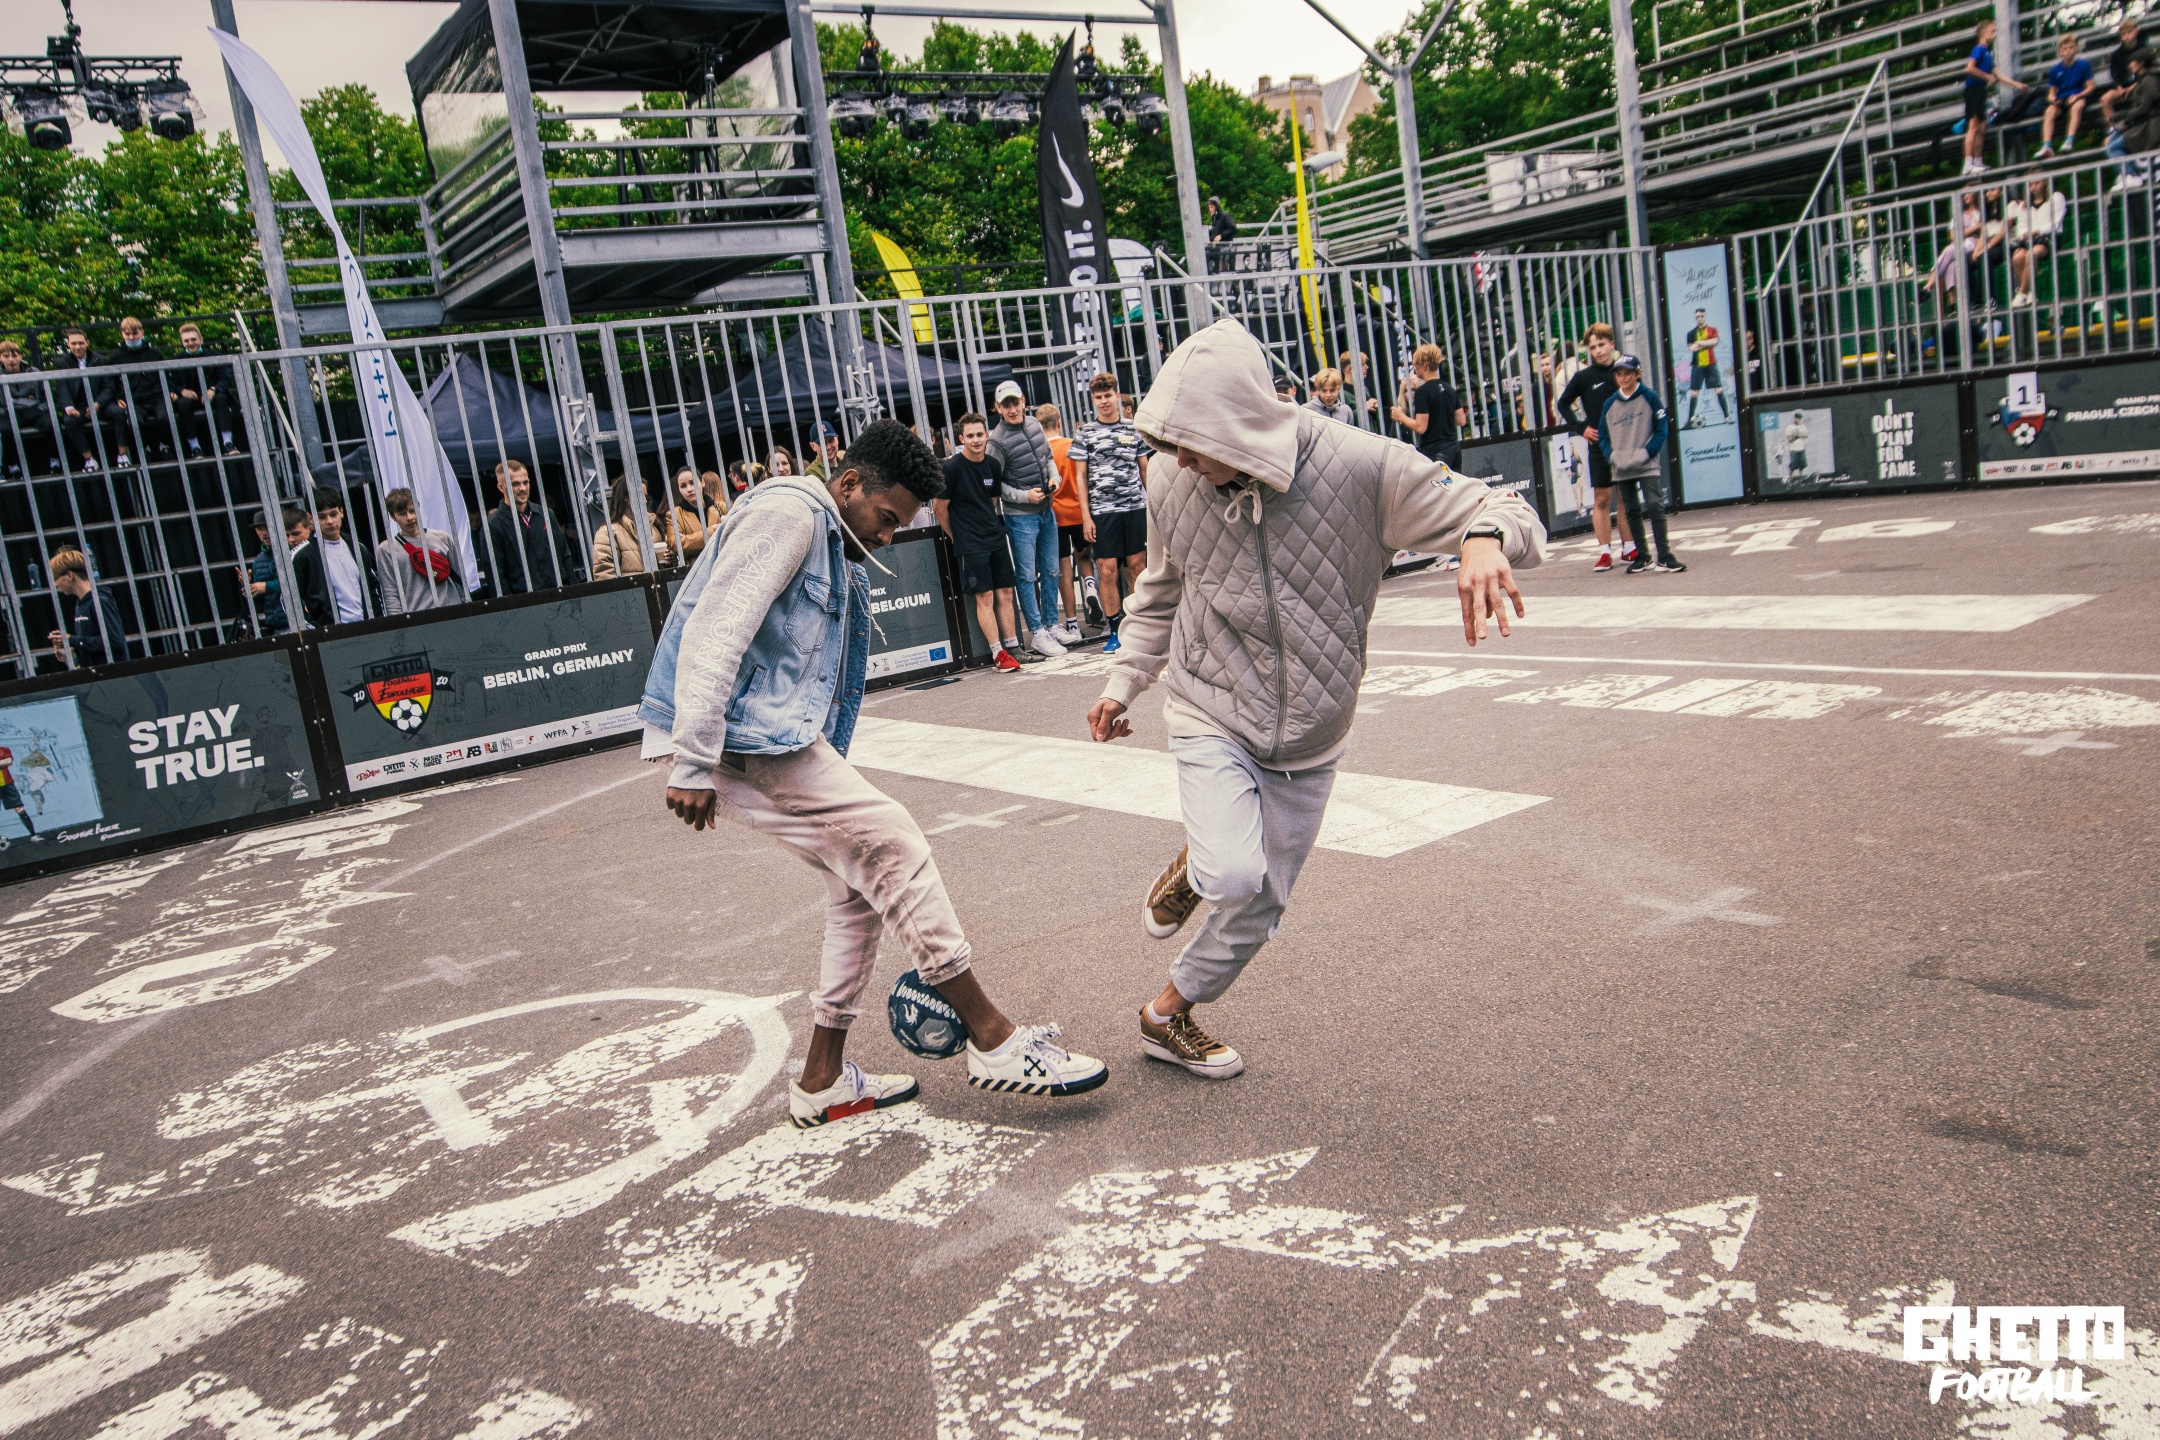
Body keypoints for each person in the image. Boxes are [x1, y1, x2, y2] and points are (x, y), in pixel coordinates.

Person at [1085, 320, 1543, 1080]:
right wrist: (1122, 681)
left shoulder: (1362, 466)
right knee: (1233, 873)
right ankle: (1201, 866)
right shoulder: (1169, 478)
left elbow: (1506, 509)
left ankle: (1165, 1016)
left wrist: (1485, 537)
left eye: (1192, 442)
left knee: (1262, 902)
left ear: (1239, 423)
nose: (1179, 459)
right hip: (1210, 702)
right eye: (1170, 442)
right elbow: (1161, 592)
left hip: (1314, 726)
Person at [646, 417, 1107, 1123]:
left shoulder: (830, 536)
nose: (890, 536)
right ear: (850, 482)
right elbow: (717, 629)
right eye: (888, 518)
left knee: (859, 884)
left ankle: (822, 1080)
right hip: (738, 736)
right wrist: (694, 758)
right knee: (894, 839)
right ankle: (993, 1039)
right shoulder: (789, 514)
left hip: (756, 733)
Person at [937, 413, 1030, 672]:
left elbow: (992, 501)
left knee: (1006, 593)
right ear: (961, 439)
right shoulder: (952, 468)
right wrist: (957, 536)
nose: (976, 440)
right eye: (970, 436)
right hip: (970, 543)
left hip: (995, 537)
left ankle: (1013, 647)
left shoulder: (993, 465)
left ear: (987, 435)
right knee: (985, 596)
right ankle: (998, 654)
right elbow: (939, 508)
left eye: (980, 434)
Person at [988, 379, 1068, 657]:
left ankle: (1051, 625)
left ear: (1023, 401)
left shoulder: (1034, 424)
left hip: (1046, 509)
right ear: (998, 407)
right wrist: (1025, 497)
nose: (1012, 409)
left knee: (1051, 570)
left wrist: (1055, 477)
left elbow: (1048, 458)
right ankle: (1037, 632)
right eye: (1006, 405)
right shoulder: (996, 441)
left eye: (1015, 402)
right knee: (1026, 575)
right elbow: (995, 485)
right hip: (1020, 517)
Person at [1071, 372, 1148, 657]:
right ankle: (1114, 630)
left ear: (1117, 396)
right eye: (1099, 397)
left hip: (1134, 507)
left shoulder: (1134, 428)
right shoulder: (1085, 433)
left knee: (1137, 567)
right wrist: (1086, 516)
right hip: (1103, 511)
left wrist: (1153, 503)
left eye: (1108, 395)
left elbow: (1144, 468)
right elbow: (1080, 477)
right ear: (1093, 400)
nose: (1104, 401)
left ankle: (1138, 627)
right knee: (1107, 569)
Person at [1553, 323, 1636, 571]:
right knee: (1602, 497)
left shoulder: (1624, 372)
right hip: (1599, 445)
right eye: (1592, 347)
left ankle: (1630, 548)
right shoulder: (1583, 377)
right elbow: (1563, 403)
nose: (1598, 350)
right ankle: (1604, 552)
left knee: (1625, 496)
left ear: (1612, 344)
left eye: (1601, 345)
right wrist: (1582, 428)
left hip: (1625, 444)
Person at [1595, 355, 1685, 575]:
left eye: (1628, 373)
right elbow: (1603, 436)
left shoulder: (1650, 397)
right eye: (1619, 374)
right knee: (1632, 511)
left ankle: (1664, 556)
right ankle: (1643, 556)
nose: (1623, 377)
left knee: (1655, 506)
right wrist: (1612, 456)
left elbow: (1662, 428)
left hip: (1646, 464)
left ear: (1638, 374)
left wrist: (1648, 452)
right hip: (1621, 467)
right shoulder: (1610, 403)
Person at [484, 458, 581, 594]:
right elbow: (496, 576)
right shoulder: (494, 525)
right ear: (501, 487)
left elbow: (565, 555)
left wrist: (574, 593)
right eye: (515, 484)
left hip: (560, 595)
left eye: (525, 482)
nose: (523, 488)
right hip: (524, 601)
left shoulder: (546, 514)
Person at [1040, 402, 1092, 643]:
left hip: (1056, 516)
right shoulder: (1073, 445)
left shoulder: (1042, 452)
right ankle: (1090, 586)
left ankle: (1072, 623)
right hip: (1079, 512)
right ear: (1059, 423)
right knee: (1085, 557)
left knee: (1064, 568)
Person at [374, 487, 465, 614]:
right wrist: (399, 624)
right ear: (393, 516)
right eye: (402, 514)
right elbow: (391, 595)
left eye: (412, 511)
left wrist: (466, 610)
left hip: (453, 611)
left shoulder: (442, 538)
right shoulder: (387, 550)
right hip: (418, 618)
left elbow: (459, 580)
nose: (409, 517)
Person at [95, 316, 168, 464]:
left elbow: (166, 375)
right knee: (135, 422)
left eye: (134, 333)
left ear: (141, 332)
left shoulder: (154, 353)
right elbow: (112, 382)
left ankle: (165, 445)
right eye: (127, 334)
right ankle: (144, 448)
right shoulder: (116, 358)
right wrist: (118, 398)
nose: (131, 337)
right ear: (122, 334)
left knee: (165, 418)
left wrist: (169, 391)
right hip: (134, 399)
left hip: (157, 396)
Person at [1962, 19, 2028, 175]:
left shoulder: (1987, 54)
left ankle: (1978, 160)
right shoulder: (1979, 49)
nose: (1995, 34)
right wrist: (1987, 77)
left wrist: (2017, 85)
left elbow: (1999, 75)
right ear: (1983, 33)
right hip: (1973, 90)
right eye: (1992, 31)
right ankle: (1968, 162)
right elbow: (1969, 68)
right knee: (1973, 126)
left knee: (1982, 127)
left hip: (1981, 91)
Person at [45, 548, 131, 667]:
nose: (55, 584)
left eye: (56, 578)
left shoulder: (100, 601)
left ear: (70, 575)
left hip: (113, 675)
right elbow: (90, 646)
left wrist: (72, 640)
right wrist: (69, 652)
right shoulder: (80, 605)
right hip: (96, 676)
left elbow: (115, 641)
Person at [167, 323, 241, 457]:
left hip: (212, 395)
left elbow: (225, 380)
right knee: (182, 404)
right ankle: (195, 447)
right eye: (186, 341)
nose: (190, 343)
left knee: (221, 398)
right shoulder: (176, 360)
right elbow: (172, 383)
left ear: (201, 339)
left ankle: (228, 443)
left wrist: (213, 389)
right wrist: (181, 391)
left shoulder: (214, 355)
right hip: (191, 399)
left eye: (193, 339)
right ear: (182, 343)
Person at [1389, 344, 1466, 470]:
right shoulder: (1450, 389)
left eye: (1416, 365)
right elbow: (1461, 420)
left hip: (1435, 452)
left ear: (1424, 366)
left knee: (1436, 483)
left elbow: (1421, 427)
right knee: (1454, 482)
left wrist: (1400, 416)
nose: (1414, 368)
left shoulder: (1423, 392)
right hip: (1454, 449)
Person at [591, 476, 672, 578]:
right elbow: (604, 575)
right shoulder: (607, 533)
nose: (645, 501)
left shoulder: (654, 526)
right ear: (625, 497)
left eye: (645, 496)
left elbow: (666, 568)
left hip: (657, 586)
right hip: (631, 588)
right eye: (639, 495)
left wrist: (669, 560)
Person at [312, 487, 372, 624]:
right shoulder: (304, 555)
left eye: (333, 514)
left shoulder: (357, 547)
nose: (329, 521)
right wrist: (317, 630)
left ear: (342, 512)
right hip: (329, 633)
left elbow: (372, 590)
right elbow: (290, 601)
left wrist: (377, 623)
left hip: (366, 628)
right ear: (311, 518)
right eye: (322, 516)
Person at [2007, 175, 2066, 306]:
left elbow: (2056, 222)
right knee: (2017, 257)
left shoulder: (2056, 197)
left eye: (2036, 183)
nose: (2033, 187)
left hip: (2049, 237)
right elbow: (2021, 227)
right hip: (2030, 240)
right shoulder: (2024, 204)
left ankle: (2021, 293)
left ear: (2044, 182)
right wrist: (2025, 234)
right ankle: (2030, 293)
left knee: (2032, 254)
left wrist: (2036, 231)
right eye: (2030, 184)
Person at [2037, 33, 2097, 158]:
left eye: (2071, 47)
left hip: (2078, 95)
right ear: (2060, 52)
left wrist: (2078, 95)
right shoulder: (2055, 70)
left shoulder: (2083, 65)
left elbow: (2090, 87)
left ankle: (2069, 140)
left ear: (2076, 48)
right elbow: (2051, 93)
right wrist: (2053, 100)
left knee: (2077, 107)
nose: (2068, 51)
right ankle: (2047, 145)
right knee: (2049, 112)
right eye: (2065, 48)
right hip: (2062, 99)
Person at [2107, 47, 2160, 188]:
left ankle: (2131, 175)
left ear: (2141, 63)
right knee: (2112, 139)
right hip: (2143, 123)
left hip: (2150, 127)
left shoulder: (2149, 81)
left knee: (2113, 148)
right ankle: (2125, 173)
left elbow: (2145, 108)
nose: (2130, 65)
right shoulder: (2146, 79)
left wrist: (2122, 115)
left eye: (2133, 62)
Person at [51, 328, 102, 472]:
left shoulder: (100, 360)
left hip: (99, 404)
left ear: (87, 343)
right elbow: (61, 387)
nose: (77, 347)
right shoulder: (61, 363)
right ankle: (89, 459)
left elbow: (108, 386)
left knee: (118, 413)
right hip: (77, 407)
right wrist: (69, 407)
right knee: (69, 421)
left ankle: (122, 456)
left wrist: (98, 403)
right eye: (73, 343)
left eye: (80, 343)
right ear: (68, 344)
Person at [0, 340, 49, 478]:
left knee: (51, 424)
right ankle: (13, 466)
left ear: (20, 356)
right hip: (8, 413)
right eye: (6, 356)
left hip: (34, 410)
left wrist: (38, 407)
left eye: (14, 355)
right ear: (0, 358)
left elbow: (46, 398)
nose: (11, 360)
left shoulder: (34, 372)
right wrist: (26, 400)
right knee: (5, 430)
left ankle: (55, 461)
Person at [284, 506, 336, 629]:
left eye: (296, 534)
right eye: (287, 535)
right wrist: (315, 627)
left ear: (310, 528)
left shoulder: (333, 546)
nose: (291, 540)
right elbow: (289, 600)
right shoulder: (295, 557)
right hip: (323, 628)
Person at [1680, 308, 1731, 429]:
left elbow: (1714, 342)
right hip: (1697, 365)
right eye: (1698, 317)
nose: (1700, 318)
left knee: (1718, 389)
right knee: (1694, 392)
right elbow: (1691, 348)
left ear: (1705, 316)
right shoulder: (1691, 333)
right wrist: (1706, 343)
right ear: (1695, 318)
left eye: (1702, 316)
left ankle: (1727, 417)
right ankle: (1689, 421)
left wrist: (1699, 343)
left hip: (1711, 364)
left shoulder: (1712, 330)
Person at [238, 510, 287, 631]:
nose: (265, 533)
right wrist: (249, 587)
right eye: (260, 529)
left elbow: (299, 584)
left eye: (268, 527)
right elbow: (260, 603)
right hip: (275, 627)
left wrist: (266, 586)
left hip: (302, 621)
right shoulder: (258, 562)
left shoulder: (291, 552)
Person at [657, 467, 710, 565]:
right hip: (695, 568)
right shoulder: (674, 514)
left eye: (692, 483)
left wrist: (688, 540)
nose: (689, 489)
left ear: (702, 482)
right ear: (679, 489)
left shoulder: (721, 507)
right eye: (683, 486)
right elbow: (677, 545)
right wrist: (713, 531)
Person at [2102, 16, 2147, 130]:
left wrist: (2133, 87)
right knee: (2105, 98)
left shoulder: (2144, 49)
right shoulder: (2117, 54)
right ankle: (2114, 128)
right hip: (2123, 88)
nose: (2127, 36)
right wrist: (2119, 87)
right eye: (2124, 34)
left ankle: (2140, 124)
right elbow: (2114, 74)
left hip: (2140, 86)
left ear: (2136, 31)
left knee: (2145, 92)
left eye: (2129, 32)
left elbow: (2147, 72)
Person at [0, 745, 42, 845]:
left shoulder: (3, 749)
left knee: (20, 809)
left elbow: (8, 761)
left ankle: (33, 835)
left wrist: (4, 762)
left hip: (7, 785)